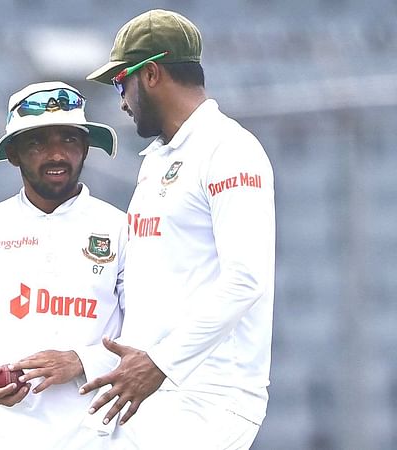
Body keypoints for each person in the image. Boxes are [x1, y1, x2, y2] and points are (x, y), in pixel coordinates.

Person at [79, 9, 276, 450]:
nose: (121, 101)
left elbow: (246, 279)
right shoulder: (157, 161)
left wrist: (160, 363)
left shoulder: (229, 150)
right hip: (155, 390)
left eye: (119, 83)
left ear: (149, 75)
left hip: (207, 394)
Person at [0, 81, 128, 449]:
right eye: (38, 142)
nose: (56, 155)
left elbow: (146, 334)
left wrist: (80, 361)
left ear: (85, 148)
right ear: (14, 154)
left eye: (69, 140)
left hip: (95, 437)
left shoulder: (119, 229)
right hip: (3, 436)